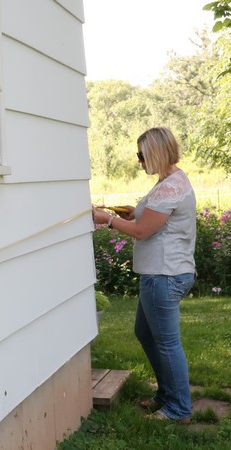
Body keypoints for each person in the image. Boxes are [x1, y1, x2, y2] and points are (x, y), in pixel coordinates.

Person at [92, 127, 196, 424]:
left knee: (166, 342)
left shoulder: (168, 187)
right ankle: (167, 395)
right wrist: (132, 212)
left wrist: (108, 220)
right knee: (146, 334)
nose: (139, 161)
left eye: (141, 155)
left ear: (155, 153)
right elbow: (149, 219)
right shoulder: (170, 180)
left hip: (163, 275)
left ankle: (178, 409)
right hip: (166, 272)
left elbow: (142, 231)